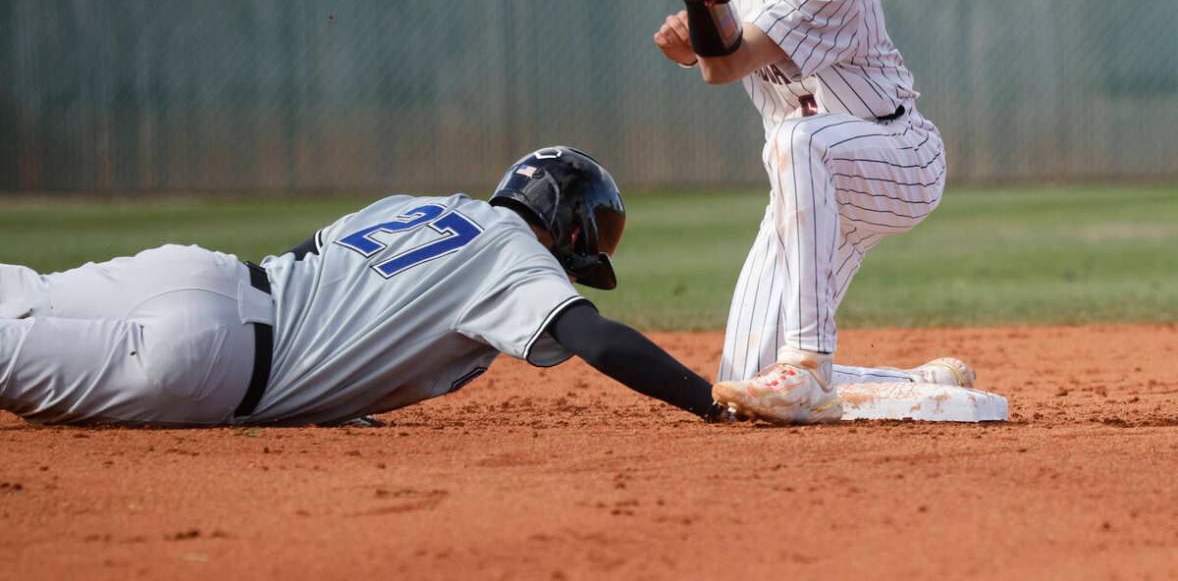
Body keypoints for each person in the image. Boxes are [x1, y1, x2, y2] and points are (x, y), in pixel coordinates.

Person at [0, 147, 737, 426]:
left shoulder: (420, 206)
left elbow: (308, 266)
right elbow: (596, 337)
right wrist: (711, 400)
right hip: (212, 364)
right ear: (567, 222)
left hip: (200, 276)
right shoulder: (517, 259)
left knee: (20, 289)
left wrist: (339, 393)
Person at [653, 0, 956, 423]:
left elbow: (730, 65)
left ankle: (812, 365)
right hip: (810, 187)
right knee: (742, 384)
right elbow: (716, 64)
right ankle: (914, 381)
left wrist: (698, 0)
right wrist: (699, 29)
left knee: (800, 138)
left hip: (896, 160)